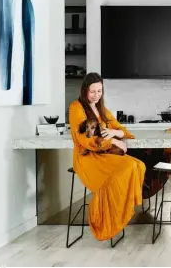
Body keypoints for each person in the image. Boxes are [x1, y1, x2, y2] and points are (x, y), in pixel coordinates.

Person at [68, 72, 145, 241]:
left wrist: (113, 132)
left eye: (100, 91)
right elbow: (89, 141)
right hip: (87, 157)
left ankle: (120, 211)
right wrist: (115, 142)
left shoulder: (101, 109)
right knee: (129, 167)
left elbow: (123, 131)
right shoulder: (77, 108)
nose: (96, 95)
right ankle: (107, 216)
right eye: (92, 91)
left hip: (104, 154)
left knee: (139, 166)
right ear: (84, 90)